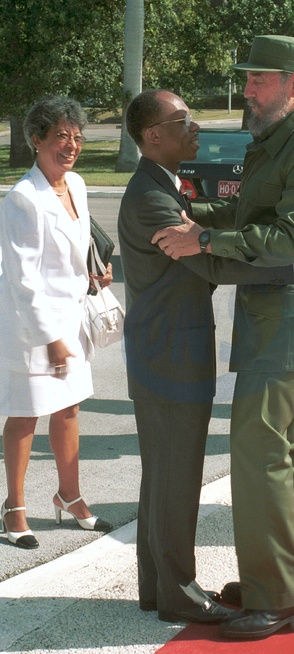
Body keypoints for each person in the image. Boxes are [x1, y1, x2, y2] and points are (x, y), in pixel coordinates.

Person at [152, 35, 294, 639]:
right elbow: (253, 216)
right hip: (280, 310)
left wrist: (203, 240)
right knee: (282, 455)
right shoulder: (280, 138)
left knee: (260, 453)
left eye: (258, 79)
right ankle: (277, 581)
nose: (246, 90)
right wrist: (199, 218)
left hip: (293, 312)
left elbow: (289, 238)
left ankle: (280, 599)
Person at [117, 88, 294, 626]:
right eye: (183, 120)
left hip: (167, 350)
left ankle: (158, 588)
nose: (195, 126)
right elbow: (211, 266)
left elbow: (211, 235)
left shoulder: (164, 185)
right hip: (170, 356)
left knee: (163, 475)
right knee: (175, 477)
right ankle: (179, 594)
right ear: (153, 135)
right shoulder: (153, 198)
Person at [0, 96, 113, 550]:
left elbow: (76, 245)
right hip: (32, 324)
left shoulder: (78, 185)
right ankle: (14, 507)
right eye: (61, 137)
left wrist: (94, 271)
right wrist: (49, 339)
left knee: (68, 409)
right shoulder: (22, 199)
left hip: (72, 318)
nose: (72, 146)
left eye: (77, 137)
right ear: (36, 140)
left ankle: (70, 496)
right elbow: (23, 280)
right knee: (25, 414)